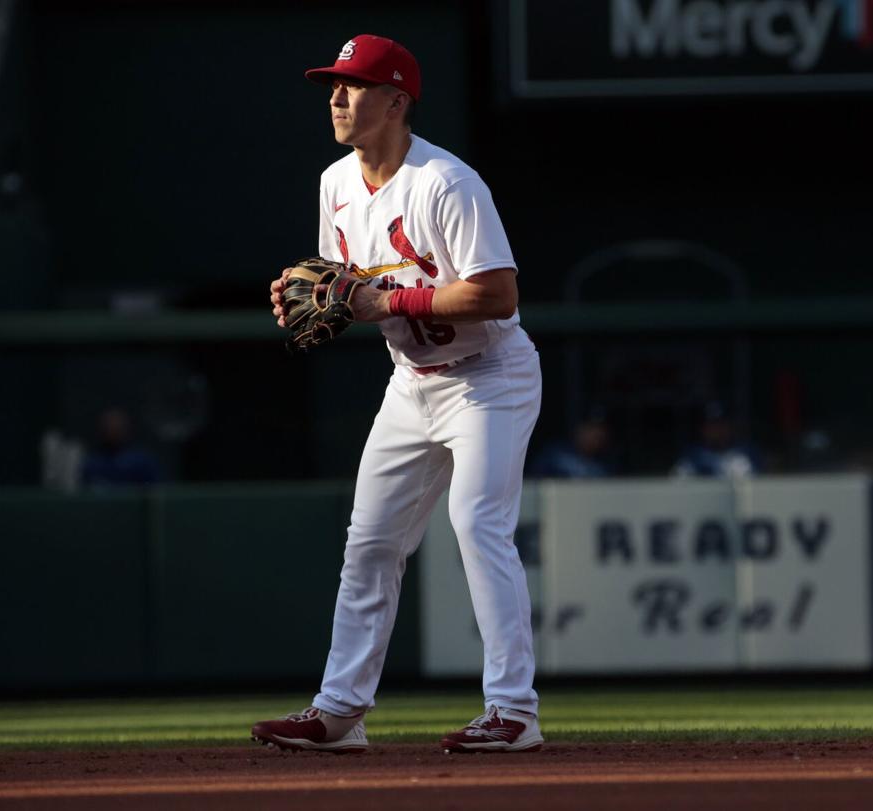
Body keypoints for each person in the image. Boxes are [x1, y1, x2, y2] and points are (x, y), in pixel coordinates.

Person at [253, 35, 543, 755]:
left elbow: (498, 294)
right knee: (370, 542)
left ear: (397, 101)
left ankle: (514, 712)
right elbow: (341, 283)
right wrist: (312, 296)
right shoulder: (335, 183)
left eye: (353, 85)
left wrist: (387, 303)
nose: (336, 97)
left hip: (490, 378)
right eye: (333, 84)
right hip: (411, 384)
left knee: (477, 523)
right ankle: (339, 712)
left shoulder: (446, 182)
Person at [672, 400, 761, 478]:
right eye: (712, 426)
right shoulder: (691, 458)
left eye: (721, 425)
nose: (718, 431)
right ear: (703, 429)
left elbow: (760, 488)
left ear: (730, 427)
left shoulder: (746, 454)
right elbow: (678, 488)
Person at [80, 408, 163, 486]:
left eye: (117, 428)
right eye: (109, 428)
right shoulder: (93, 462)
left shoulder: (142, 461)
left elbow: (155, 489)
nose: (113, 433)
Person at [529, 409, 614, 478]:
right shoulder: (555, 455)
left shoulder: (606, 464)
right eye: (590, 429)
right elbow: (533, 481)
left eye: (599, 433)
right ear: (579, 429)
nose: (594, 437)